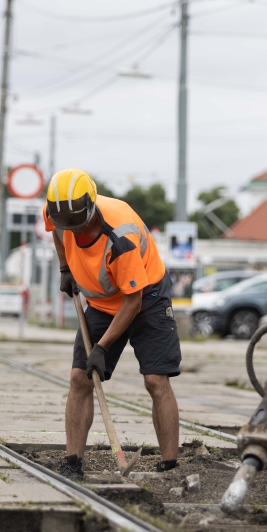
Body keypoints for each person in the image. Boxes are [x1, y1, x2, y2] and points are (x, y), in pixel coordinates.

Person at [44, 168, 182, 480]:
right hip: (102, 304)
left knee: (156, 380)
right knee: (80, 377)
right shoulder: (59, 207)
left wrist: (103, 347)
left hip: (147, 298)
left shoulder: (121, 237)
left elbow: (132, 303)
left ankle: (170, 466)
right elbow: (55, 229)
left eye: (78, 224)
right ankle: (72, 463)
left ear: (90, 207)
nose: (73, 231)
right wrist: (65, 267)